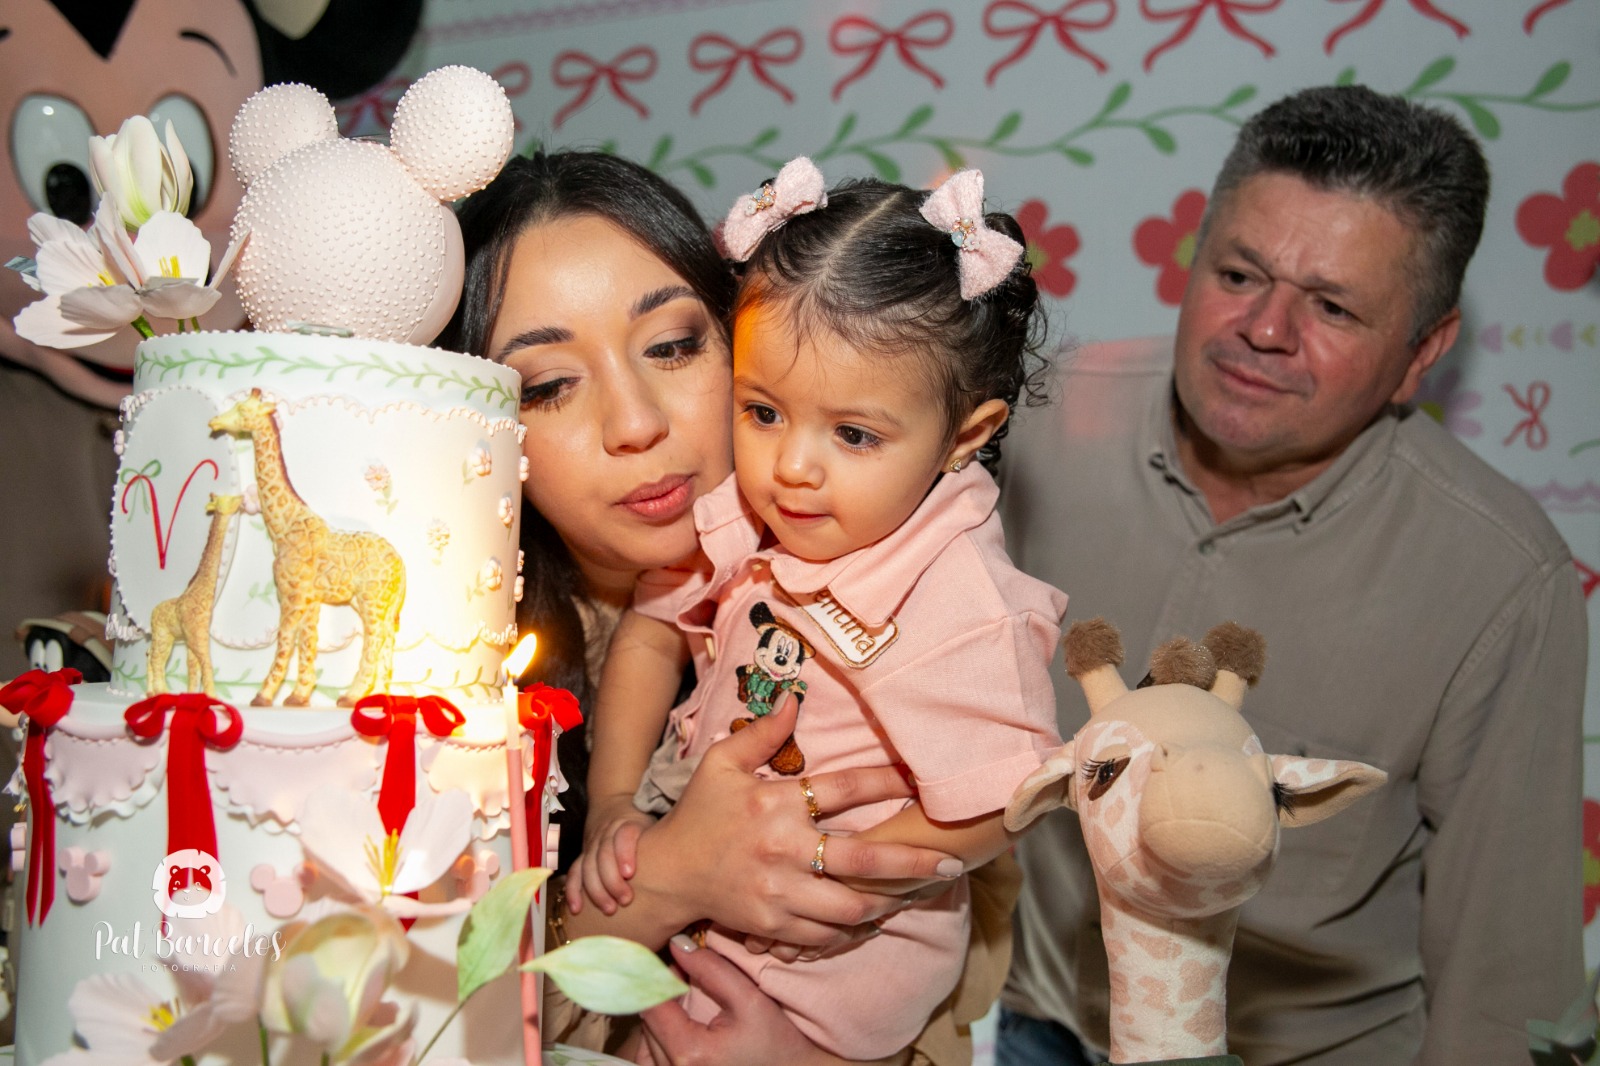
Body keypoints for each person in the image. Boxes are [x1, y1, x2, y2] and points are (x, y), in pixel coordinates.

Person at [997, 84, 1588, 1065]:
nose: (1264, 330)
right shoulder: (1034, 425)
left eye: (1331, 306)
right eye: (1240, 273)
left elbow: (1505, 975)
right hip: (1033, 1023)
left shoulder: (1499, 579)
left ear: (1421, 354)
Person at [439, 150, 1016, 1066]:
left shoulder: (911, 615)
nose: (635, 423)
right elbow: (414, 1018)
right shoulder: (430, 693)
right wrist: (664, 878)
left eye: (672, 346)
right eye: (547, 385)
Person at [574, 160, 1066, 1061]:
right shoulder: (756, 518)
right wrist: (610, 802)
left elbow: (1007, 795)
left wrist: (834, 868)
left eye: (853, 434)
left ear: (967, 434)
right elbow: (650, 629)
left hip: (833, 962)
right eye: (762, 411)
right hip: (695, 877)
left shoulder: (955, 593)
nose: (792, 467)